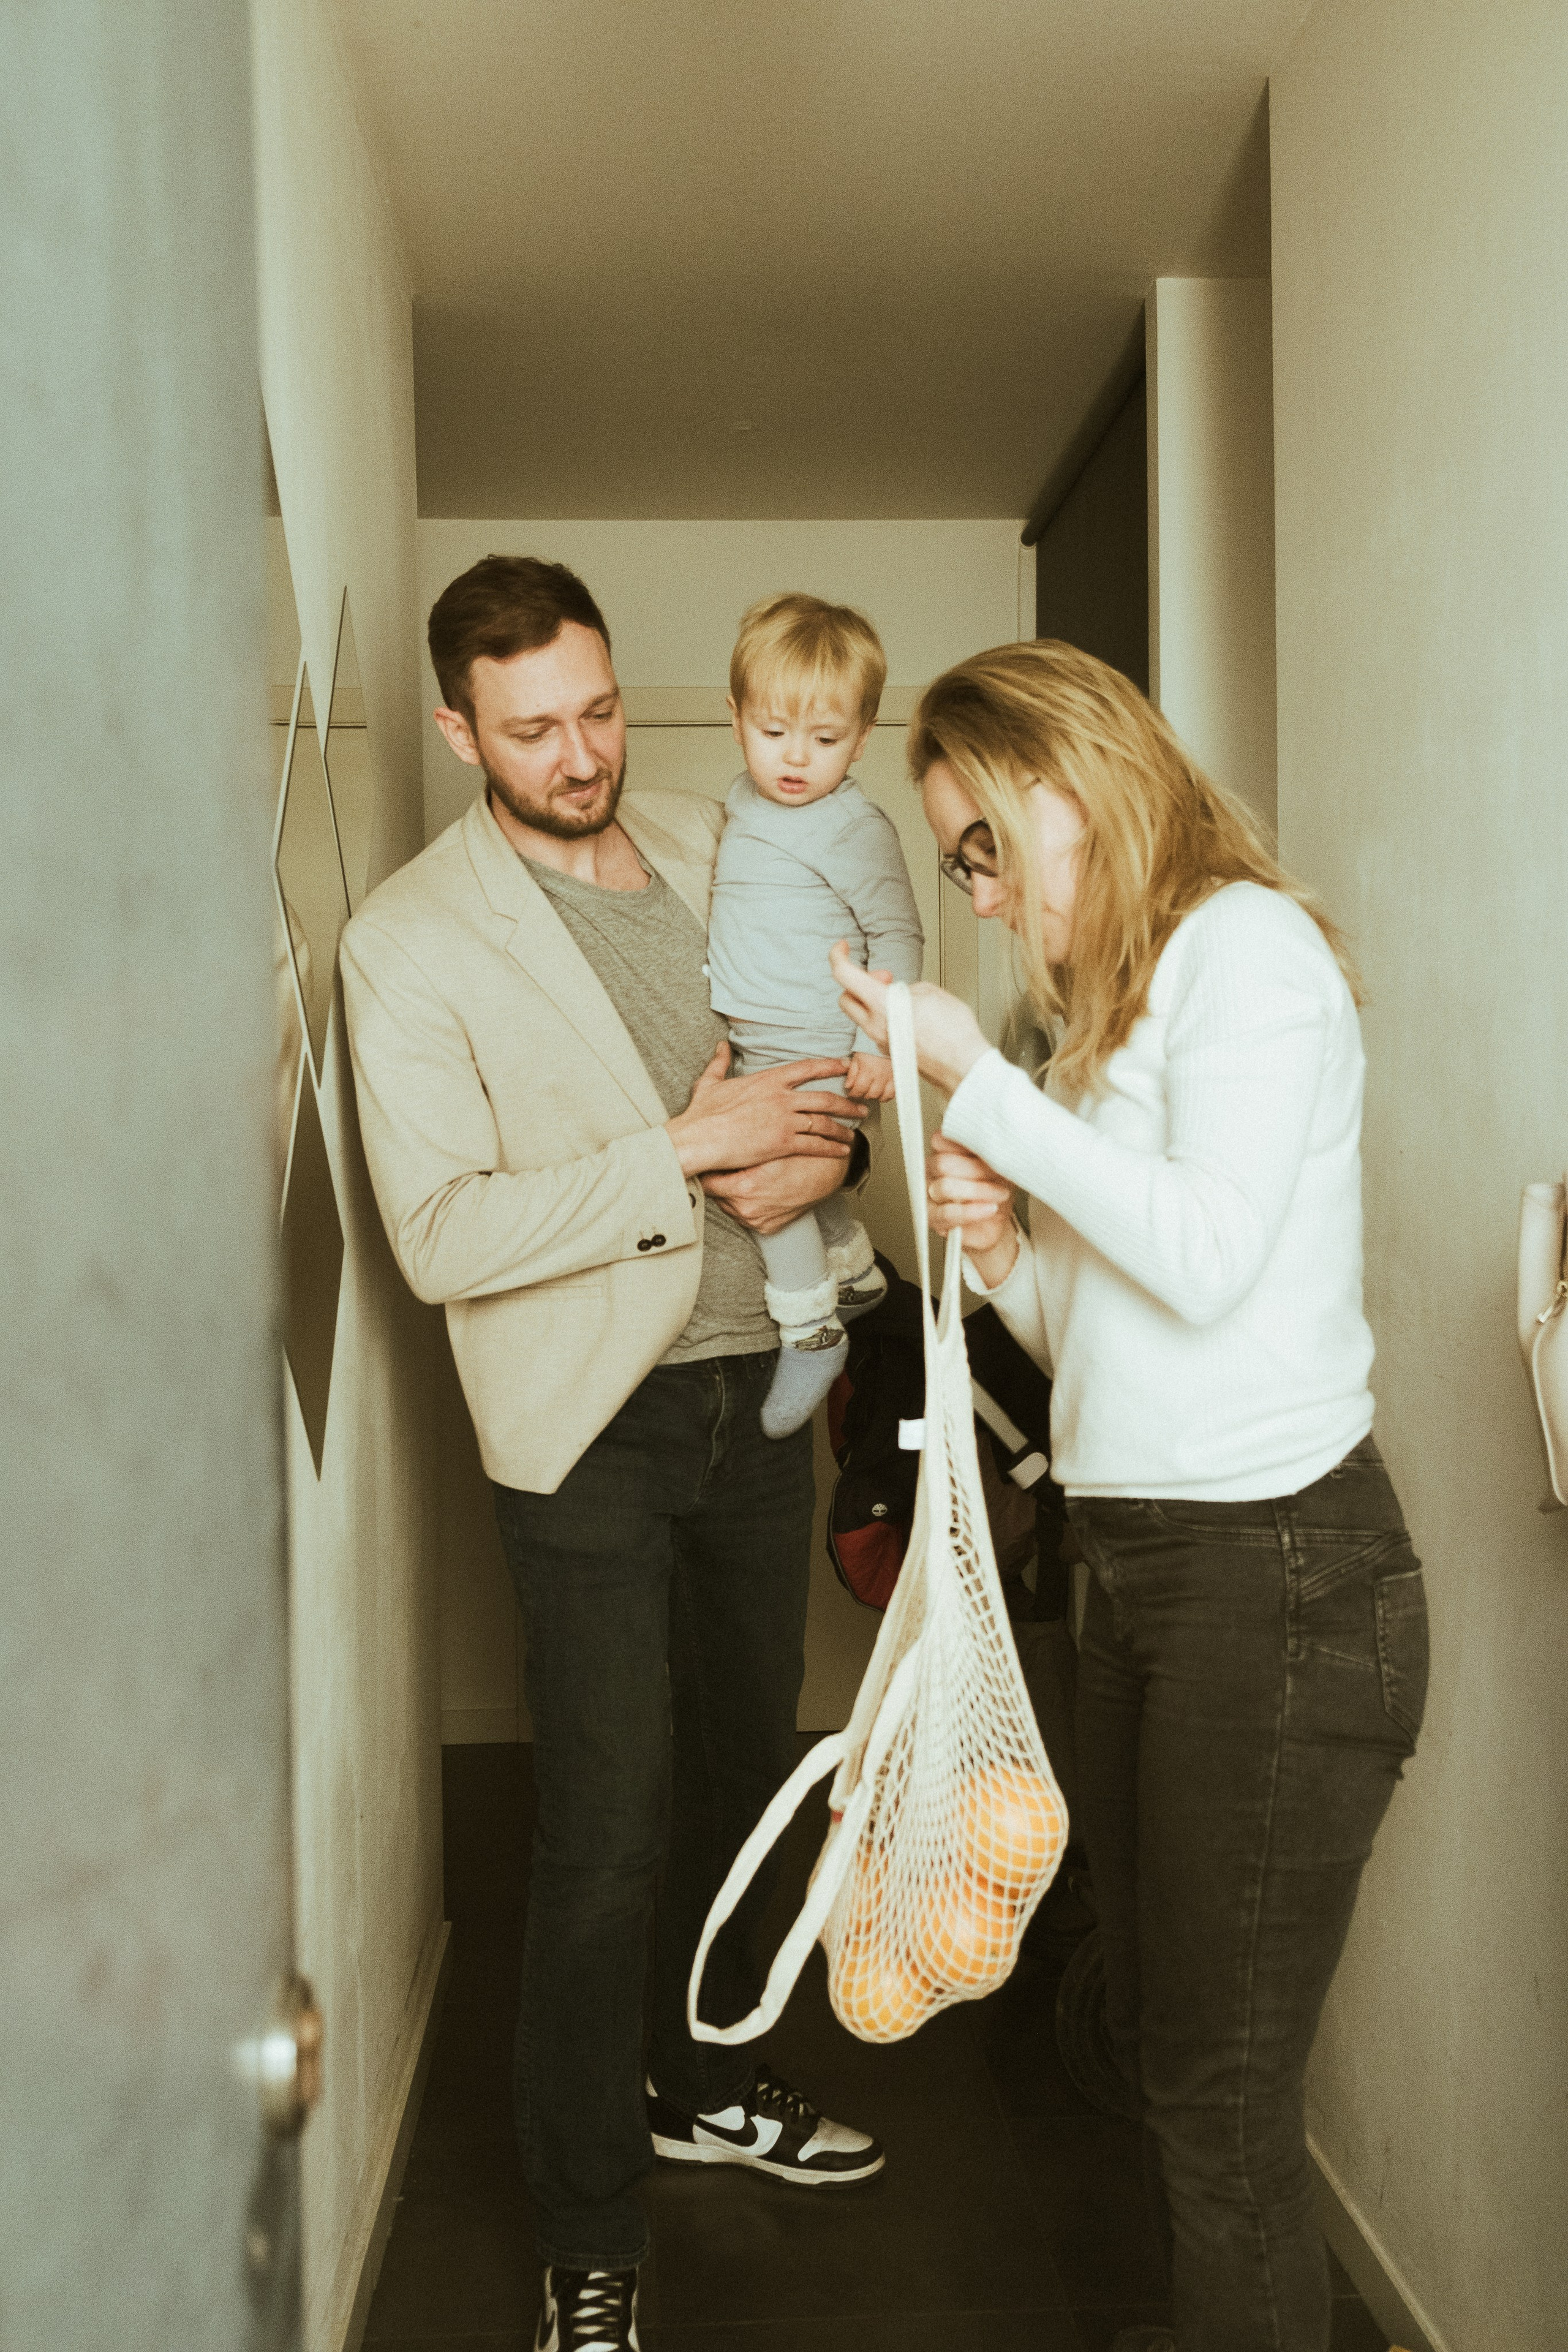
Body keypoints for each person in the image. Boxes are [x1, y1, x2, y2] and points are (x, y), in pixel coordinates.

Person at [833, 639, 1429, 2352]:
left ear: (1060, 790)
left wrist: (987, 1093)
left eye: (977, 849)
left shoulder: (1250, 951)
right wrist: (1012, 1251)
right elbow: (1116, 1341)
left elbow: (1216, 1254)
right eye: (959, 861)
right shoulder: (1110, 1011)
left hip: (1286, 1585)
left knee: (1220, 2111)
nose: (983, 892)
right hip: (1150, 1573)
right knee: (1161, 2060)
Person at [340, 556, 886, 2352]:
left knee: (743, 1773)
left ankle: (692, 2079)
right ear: (455, 728)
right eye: (528, 729)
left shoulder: (729, 838)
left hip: (765, 1394)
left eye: (591, 709)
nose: (576, 752)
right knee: (603, 1826)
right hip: (589, 1428)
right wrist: (681, 1143)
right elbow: (436, 1233)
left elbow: (826, 1082)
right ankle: (592, 2222)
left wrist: (836, 1163)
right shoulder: (410, 940)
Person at [708, 592, 924, 1436]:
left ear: (862, 739)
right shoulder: (740, 803)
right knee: (799, 1179)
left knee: (771, 1190)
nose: (797, 758)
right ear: (735, 721)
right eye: (774, 733)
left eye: (826, 740)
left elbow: (897, 936)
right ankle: (856, 1270)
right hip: (757, 1042)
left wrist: (880, 1039)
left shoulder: (854, 827)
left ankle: (810, 1330)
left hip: (820, 1051)